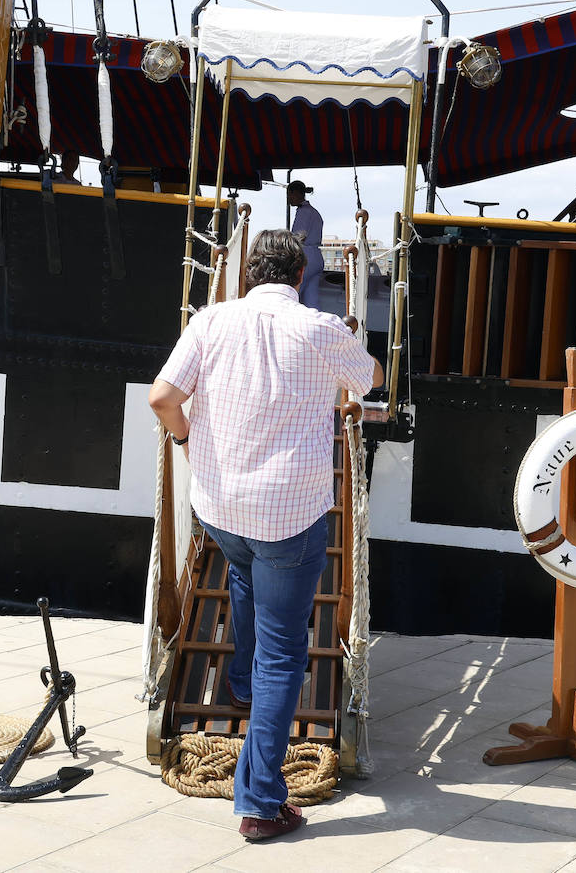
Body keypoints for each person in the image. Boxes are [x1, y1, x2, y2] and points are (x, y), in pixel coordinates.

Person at [148, 230, 383, 843]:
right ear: (302, 272)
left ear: (248, 272)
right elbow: (371, 380)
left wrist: (185, 441)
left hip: (220, 510)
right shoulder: (321, 327)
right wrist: (350, 347)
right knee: (287, 654)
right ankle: (259, 803)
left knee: (244, 576)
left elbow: (163, 398)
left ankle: (241, 684)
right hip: (288, 519)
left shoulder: (209, 322)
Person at [286, 180, 324, 309]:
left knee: (291, 294)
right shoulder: (315, 212)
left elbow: (297, 237)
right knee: (311, 301)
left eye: (290, 195)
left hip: (305, 255)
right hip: (317, 257)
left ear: (296, 193)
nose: (289, 198)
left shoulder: (303, 211)